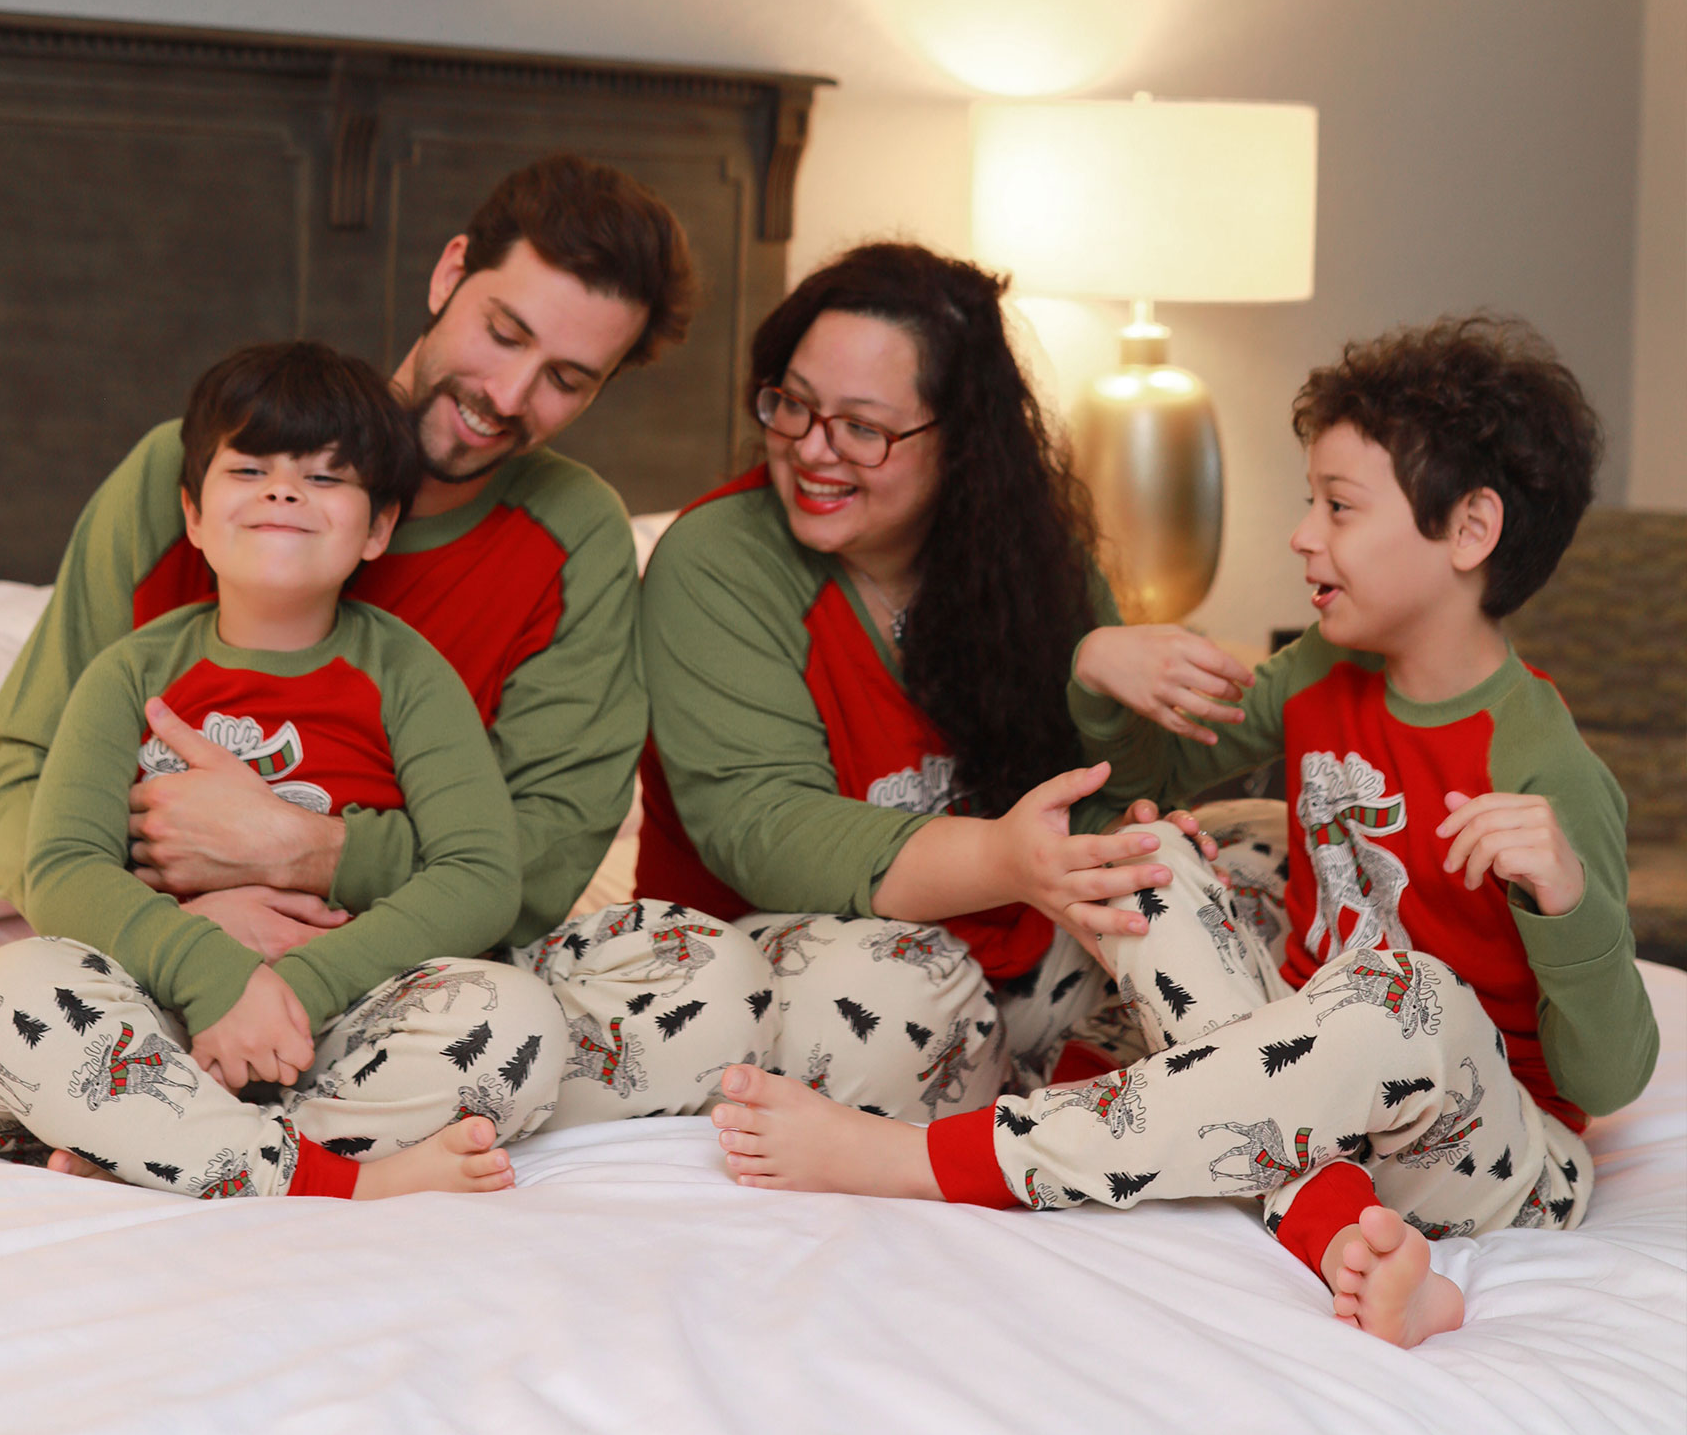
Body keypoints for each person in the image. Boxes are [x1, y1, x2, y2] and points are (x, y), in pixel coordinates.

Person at [706, 315, 1661, 1349]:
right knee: (1150, 856)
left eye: (1338, 508)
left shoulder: (1549, 771)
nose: (1303, 536)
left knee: (1404, 991)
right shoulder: (1316, 674)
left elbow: (1609, 1078)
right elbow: (1147, 782)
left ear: (1470, 531)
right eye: (1311, 503)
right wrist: (1099, 666)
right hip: (1301, 1091)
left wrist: (1565, 899)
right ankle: (1331, 1221)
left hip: (1491, 1146)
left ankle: (928, 1160)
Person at [0, 155, 776, 1128]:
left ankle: (153, 1129)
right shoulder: (194, 471)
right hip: (149, 951)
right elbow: (23, 764)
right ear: (449, 276)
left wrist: (309, 853)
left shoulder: (576, 536)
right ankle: (283, 1129)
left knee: (713, 988)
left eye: (567, 378)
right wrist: (186, 931)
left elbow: (540, 856)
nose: (510, 395)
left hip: (411, 975)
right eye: (503, 331)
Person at [0, 342, 565, 1200]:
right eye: (252, 467)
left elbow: (481, 875)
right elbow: (63, 867)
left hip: (340, 1013)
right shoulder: (129, 671)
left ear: (379, 527)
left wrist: (291, 989)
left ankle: (132, 1139)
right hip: (131, 1005)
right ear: (192, 514)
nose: (284, 491)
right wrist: (214, 974)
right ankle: (320, 1172)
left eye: (326, 477)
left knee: (515, 1019)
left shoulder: (410, 675)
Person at [636, 243, 1212, 1123]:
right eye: (791, 405)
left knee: (1212, 869)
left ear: (961, 438)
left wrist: (1112, 764)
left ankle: (1133, 1126)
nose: (812, 450)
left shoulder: (1029, 557)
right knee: (897, 987)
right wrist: (1013, 859)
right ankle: (1031, 1145)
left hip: (1016, 948)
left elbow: (1099, 801)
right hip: (804, 963)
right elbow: (763, 828)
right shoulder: (714, 560)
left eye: (862, 427)